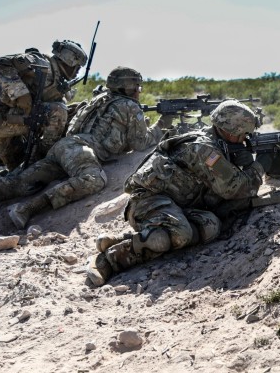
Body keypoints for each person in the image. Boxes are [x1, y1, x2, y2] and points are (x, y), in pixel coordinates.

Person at [0, 66, 172, 227]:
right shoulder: (129, 106)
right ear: (129, 87)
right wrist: (163, 126)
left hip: (63, 147)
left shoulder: (99, 99)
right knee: (93, 180)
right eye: (137, 87)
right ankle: (28, 208)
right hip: (79, 151)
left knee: (19, 181)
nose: (139, 91)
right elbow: (141, 142)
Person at [86, 99, 268, 287]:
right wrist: (258, 167)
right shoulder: (205, 149)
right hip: (147, 202)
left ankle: (122, 240)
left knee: (210, 225)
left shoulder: (218, 143)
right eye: (243, 134)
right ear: (232, 130)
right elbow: (234, 188)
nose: (245, 139)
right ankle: (108, 261)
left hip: (175, 205)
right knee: (180, 233)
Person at [0, 39, 88, 171]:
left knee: (17, 170)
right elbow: (2, 63)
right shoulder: (41, 62)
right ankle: (47, 159)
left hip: (6, 128)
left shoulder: (58, 81)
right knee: (58, 112)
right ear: (69, 59)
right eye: (77, 66)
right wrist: (21, 95)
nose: (78, 71)